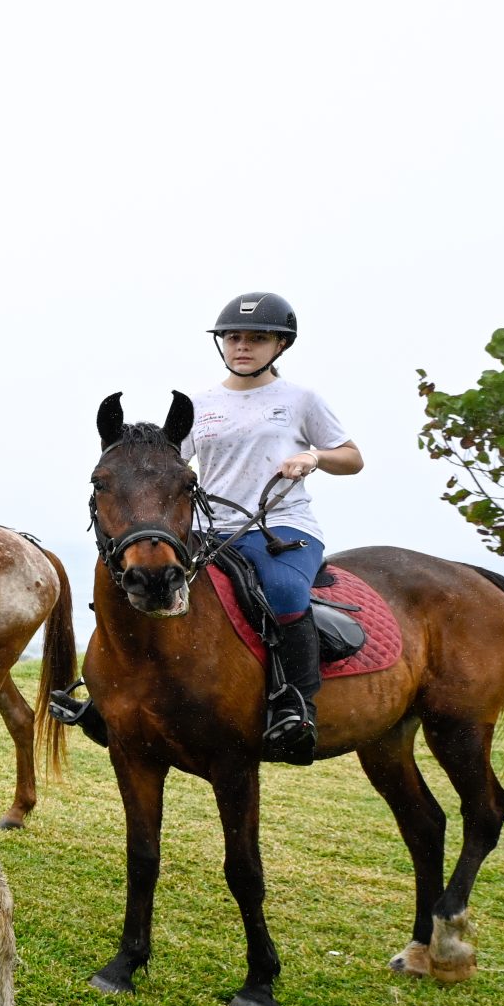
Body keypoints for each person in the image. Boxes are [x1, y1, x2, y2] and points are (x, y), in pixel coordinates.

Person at [181, 292, 363, 765]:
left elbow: (353, 458)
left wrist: (314, 457)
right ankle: (110, 696)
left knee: (283, 590)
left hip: (281, 526)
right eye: (233, 338)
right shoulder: (199, 404)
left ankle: (296, 706)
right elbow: (173, 464)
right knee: (151, 580)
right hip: (210, 529)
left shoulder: (300, 400)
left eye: (257, 339)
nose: (242, 347)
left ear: (280, 345)